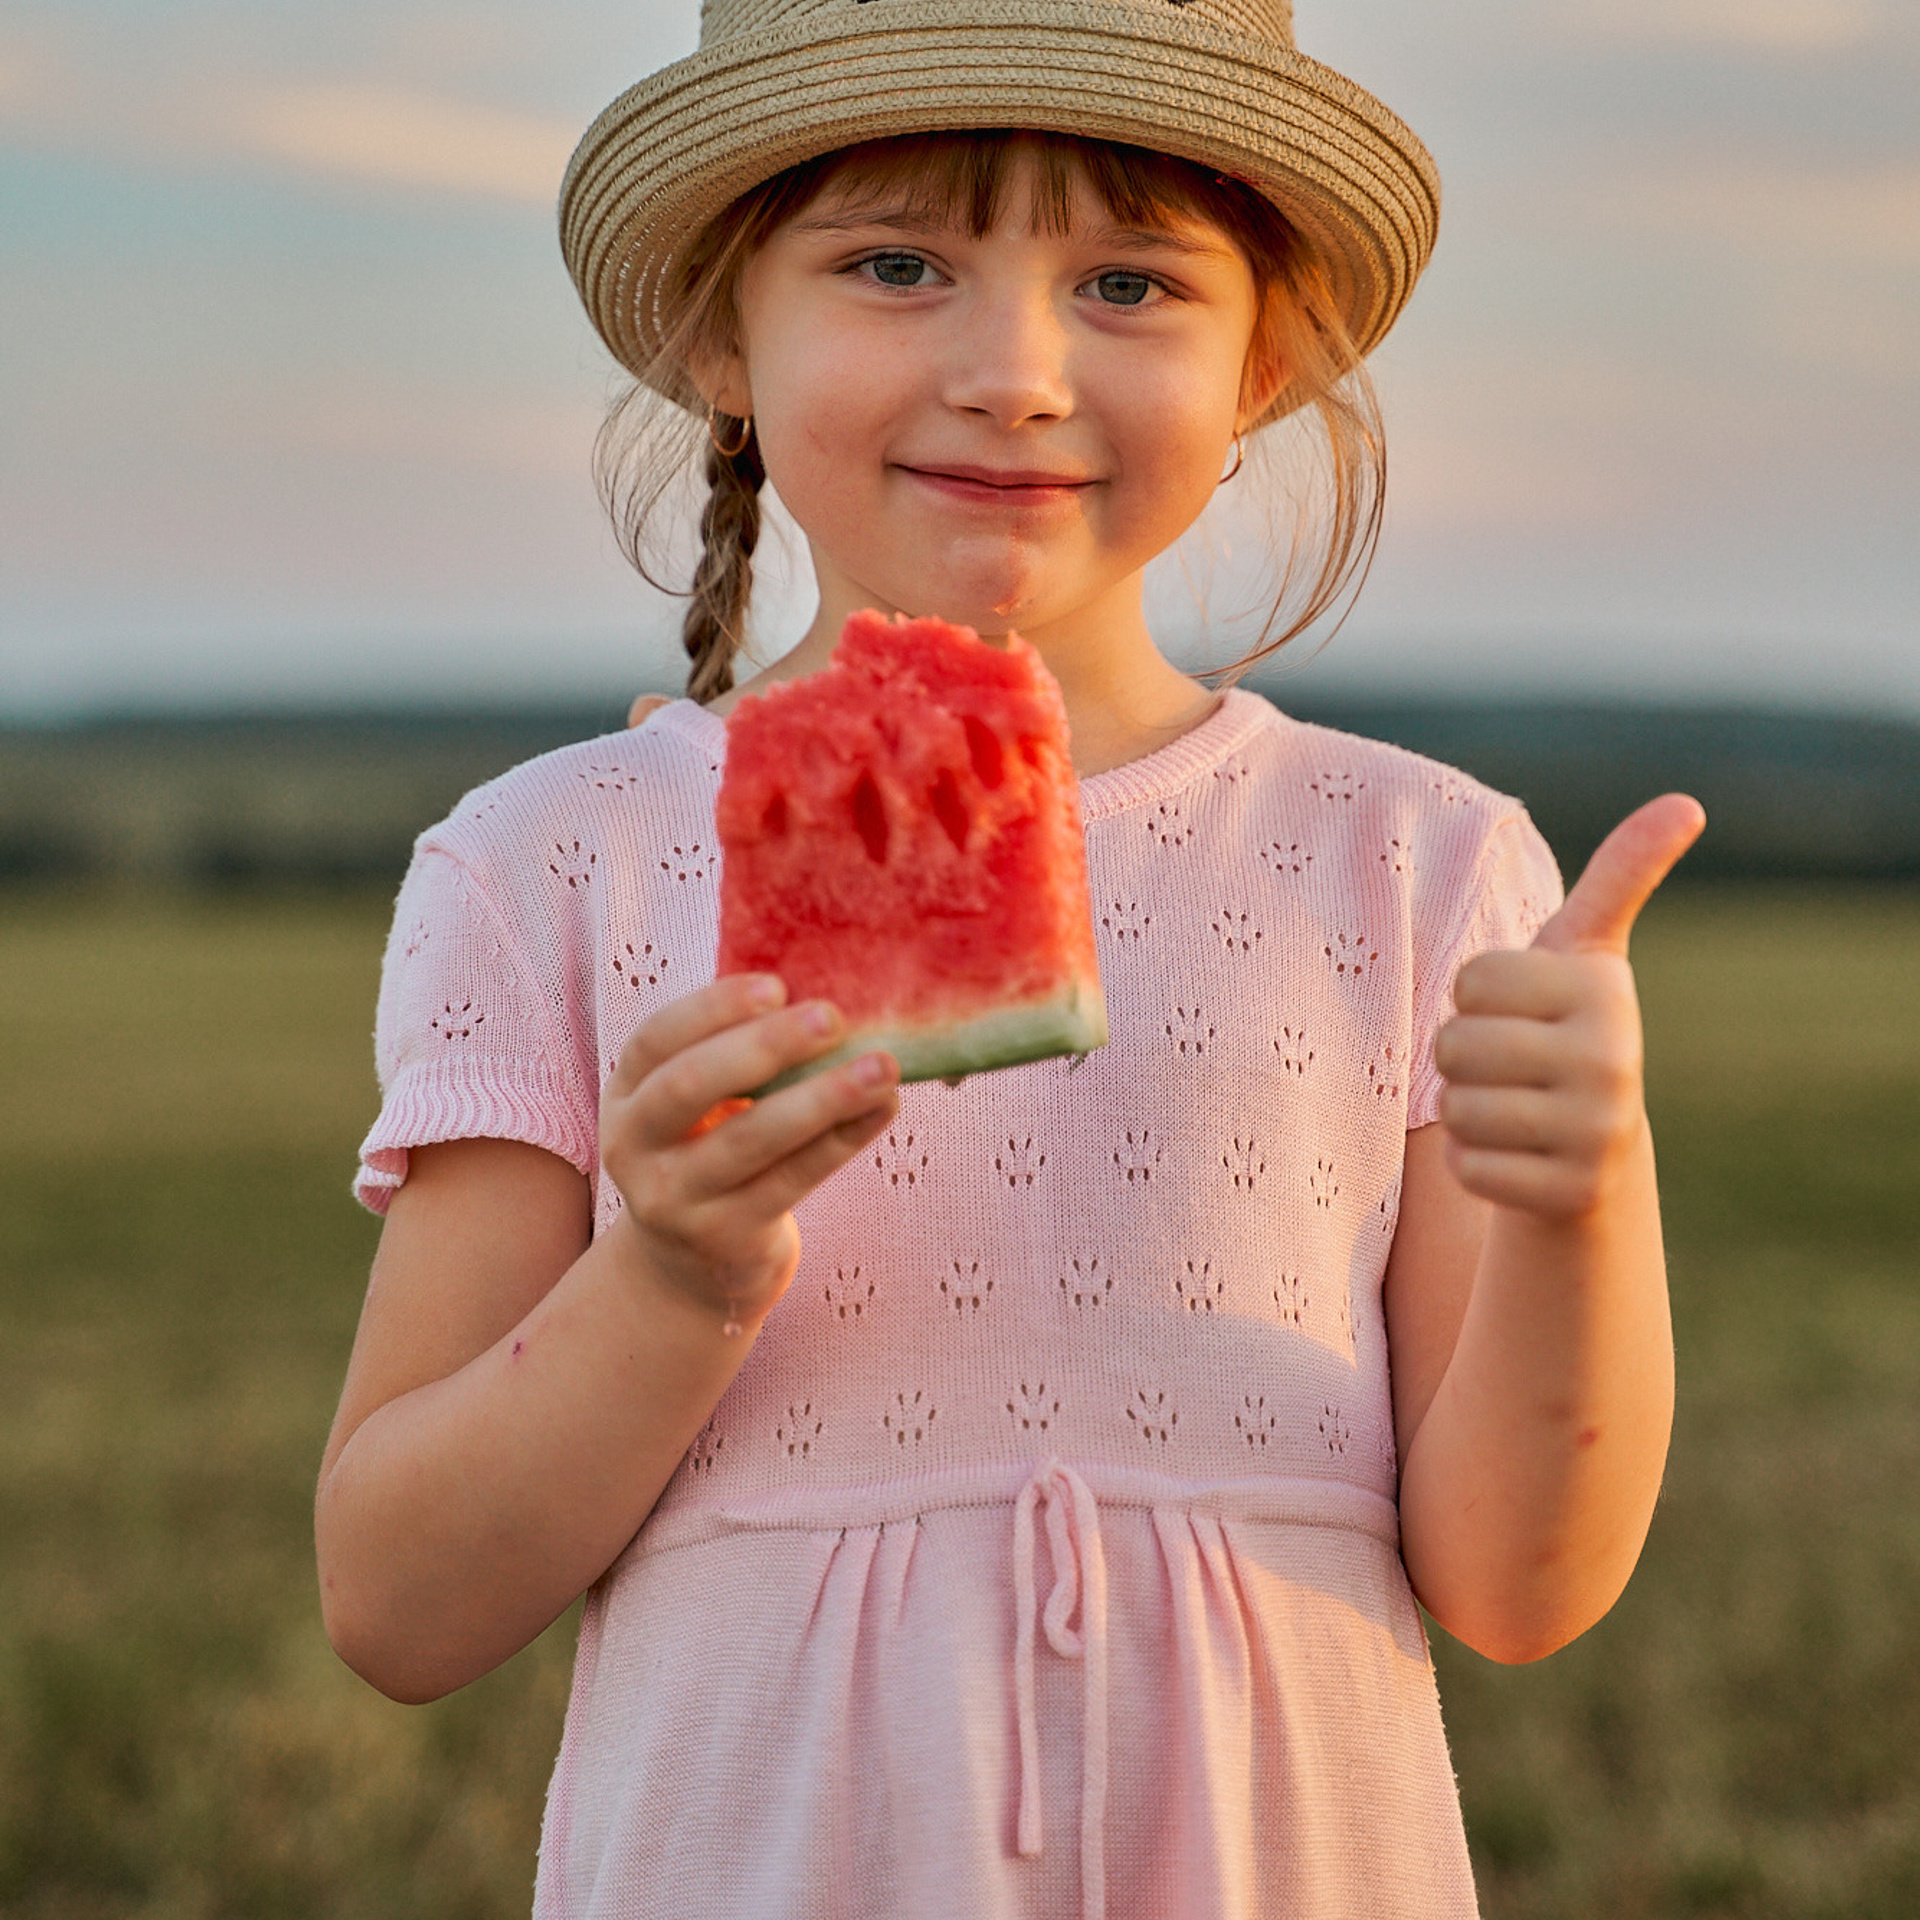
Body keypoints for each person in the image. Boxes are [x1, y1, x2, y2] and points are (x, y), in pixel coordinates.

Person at [315, 3, 1705, 1915]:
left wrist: (1583, 1199)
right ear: (721, 337)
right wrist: (671, 1274)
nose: (1018, 376)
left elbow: (1521, 1588)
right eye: (898, 266)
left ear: (1262, 362)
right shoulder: (557, 863)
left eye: (1130, 283)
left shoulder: (1418, 863)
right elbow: (398, 1603)